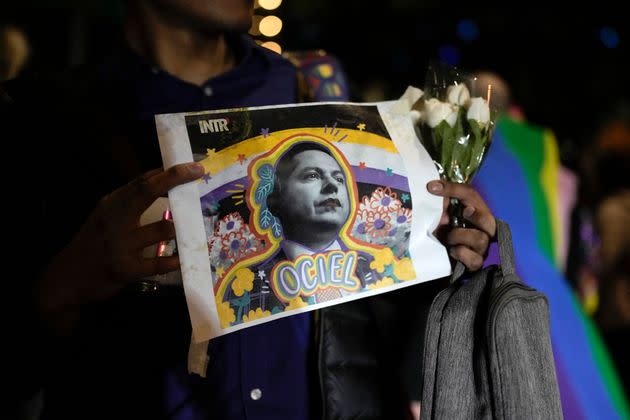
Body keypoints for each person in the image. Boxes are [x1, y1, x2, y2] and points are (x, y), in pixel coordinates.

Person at [3, 1, 497, 418]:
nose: (328, 186)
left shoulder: (321, 97)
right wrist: (70, 279)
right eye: (309, 177)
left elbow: (374, 318)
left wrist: (443, 254)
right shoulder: (51, 121)